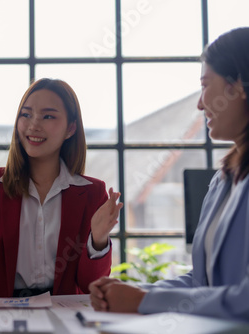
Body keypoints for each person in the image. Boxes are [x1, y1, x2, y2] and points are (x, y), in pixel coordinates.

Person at [89, 27, 249, 322]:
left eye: (205, 84)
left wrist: (146, 300)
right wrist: (133, 291)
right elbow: (202, 283)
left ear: (239, 85)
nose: (200, 104)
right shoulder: (222, 180)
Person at [0, 78, 123, 297]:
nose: (33, 124)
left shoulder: (92, 192)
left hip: (63, 312)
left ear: (70, 128)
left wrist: (98, 240)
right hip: (2, 311)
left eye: (48, 116)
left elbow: (91, 283)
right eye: (26, 114)